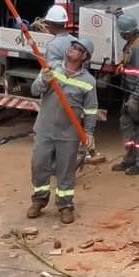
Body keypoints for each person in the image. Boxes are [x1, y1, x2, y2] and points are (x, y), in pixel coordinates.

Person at [28, 38, 98, 224]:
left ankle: (65, 205)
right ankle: (39, 200)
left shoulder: (88, 81)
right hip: (44, 128)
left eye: (78, 49)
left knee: (65, 171)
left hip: (68, 135)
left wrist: (89, 132)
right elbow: (35, 90)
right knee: (39, 164)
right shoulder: (51, 68)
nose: (72, 49)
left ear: (84, 57)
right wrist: (43, 80)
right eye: (73, 46)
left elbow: (91, 110)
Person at [112, 13, 139, 175]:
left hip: (138, 95)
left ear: (127, 32)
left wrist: (136, 99)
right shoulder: (131, 43)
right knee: (126, 126)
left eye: (122, 32)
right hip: (128, 93)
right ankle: (130, 159)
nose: (121, 35)